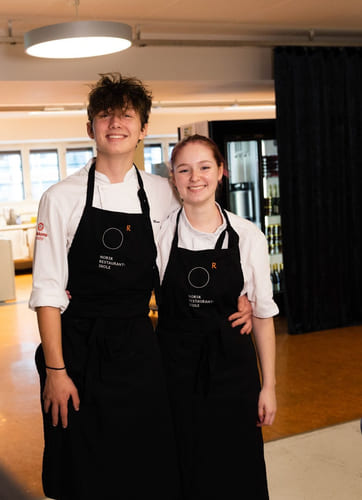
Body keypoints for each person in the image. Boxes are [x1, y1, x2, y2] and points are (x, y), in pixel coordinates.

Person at [28, 74, 252, 499]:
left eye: (126, 116)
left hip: (138, 347)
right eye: (105, 115)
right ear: (90, 126)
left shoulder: (163, 192)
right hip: (76, 348)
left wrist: (244, 292)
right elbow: (47, 290)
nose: (116, 124)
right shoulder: (60, 197)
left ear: (143, 128)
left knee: (146, 460)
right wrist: (56, 371)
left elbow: (209, 231)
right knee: (83, 465)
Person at [155, 134, 277, 500]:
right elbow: (129, 289)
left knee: (237, 467)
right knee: (184, 466)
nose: (195, 178)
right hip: (174, 371)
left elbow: (263, 314)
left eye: (205, 167)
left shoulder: (248, 235)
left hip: (232, 371)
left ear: (221, 172)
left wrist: (268, 386)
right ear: (173, 178)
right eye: (184, 169)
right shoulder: (159, 234)